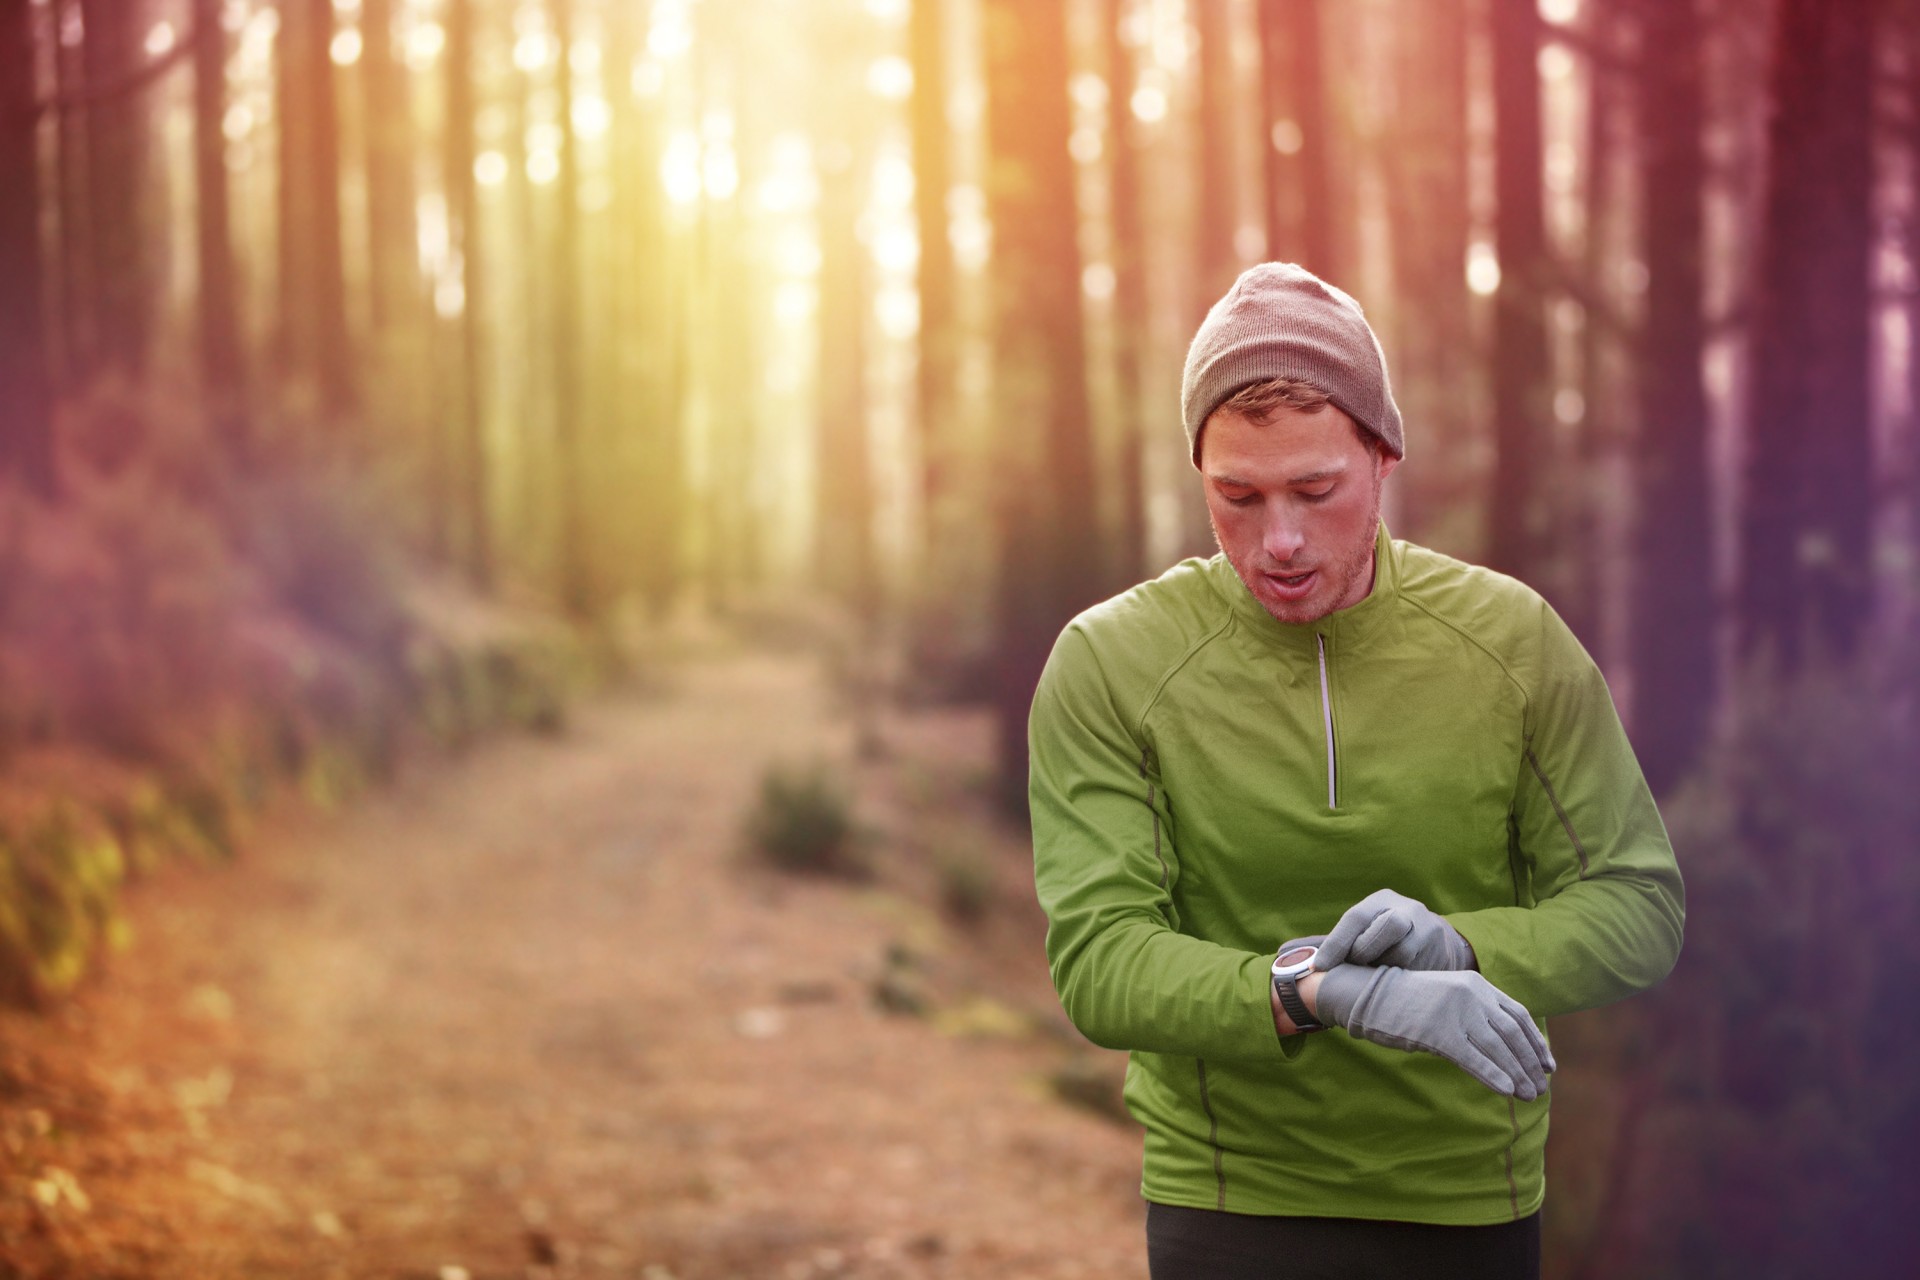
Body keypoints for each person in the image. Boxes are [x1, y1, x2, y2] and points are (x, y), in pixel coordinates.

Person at [1027, 262, 1685, 1279]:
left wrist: (1460, 945)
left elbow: (1640, 907)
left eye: (1316, 490)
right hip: (1228, 1195)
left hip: (1468, 1199)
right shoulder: (1112, 660)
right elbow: (1103, 960)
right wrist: (1324, 991)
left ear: (1382, 457)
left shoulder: (1512, 640)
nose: (1278, 540)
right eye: (1235, 496)